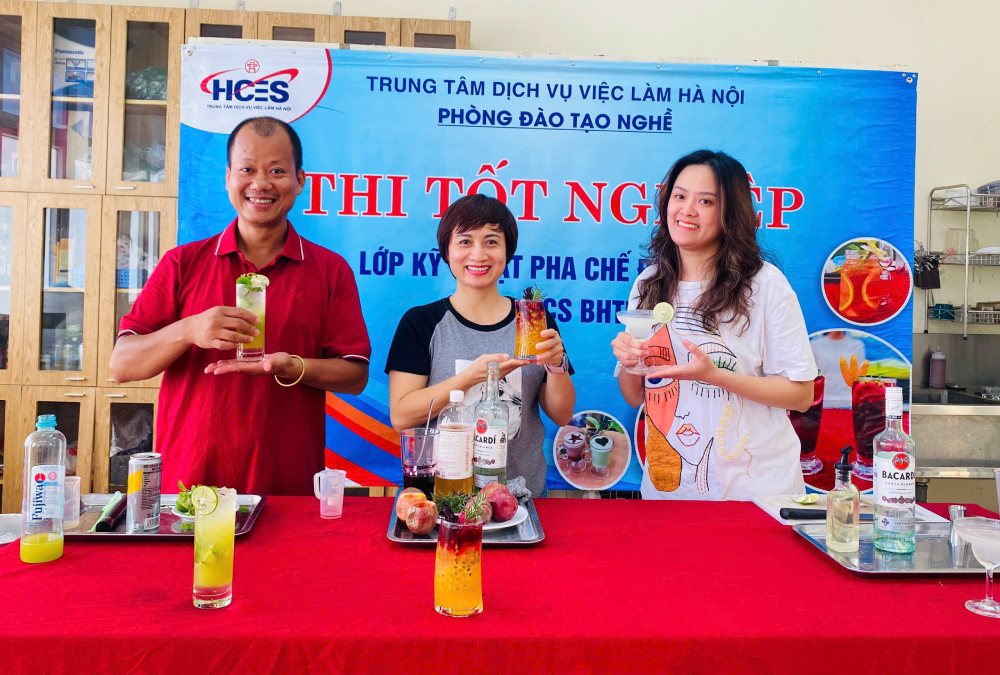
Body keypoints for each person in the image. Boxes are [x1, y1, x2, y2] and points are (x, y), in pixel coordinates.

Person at [109, 116, 371, 496]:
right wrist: (188, 329)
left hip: (286, 489)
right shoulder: (182, 264)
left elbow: (355, 375)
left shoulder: (330, 271)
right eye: (247, 169)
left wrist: (294, 366)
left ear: (300, 181)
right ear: (228, 177)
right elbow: (121, 365)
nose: (261, 184)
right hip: (189, 487)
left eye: (277, 170)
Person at [611, 149, 816, 500]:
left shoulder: (765, 285)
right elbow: (634, 397)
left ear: (730, 214)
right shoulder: (649, 283)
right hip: (670, 493)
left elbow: (801, 395)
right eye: (679, 196)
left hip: (755, 494)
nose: (687, 210)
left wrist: (715, 376)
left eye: (705, 201)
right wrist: (631, 361)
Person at [385, 194, 575, 496]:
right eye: (464, 241)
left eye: (491, 241)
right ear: (447, 251)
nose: (478, 254)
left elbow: (562, 414)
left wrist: (556, 366)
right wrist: (472, 377)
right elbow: (402, 416)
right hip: (442, 500)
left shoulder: (533, 319)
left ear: (506, 251)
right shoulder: (421, 323)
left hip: (522, 499)